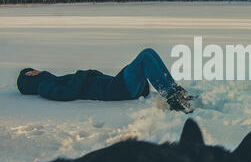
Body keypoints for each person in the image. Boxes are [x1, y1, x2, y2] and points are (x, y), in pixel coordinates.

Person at [16, 48, 193, 113]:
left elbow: (77, 85)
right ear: (29, 77)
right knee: (146, 56)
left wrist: (89, 74)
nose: (35, 71)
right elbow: (66, 93)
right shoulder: (44, 86)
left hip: (113, 86)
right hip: (113, 90)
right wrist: (83, 73)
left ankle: (175, 91)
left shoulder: (52, 80)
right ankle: (173, 98)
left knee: (149, 53)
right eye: (31, 72)